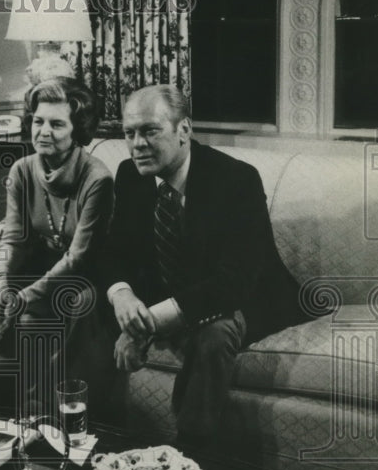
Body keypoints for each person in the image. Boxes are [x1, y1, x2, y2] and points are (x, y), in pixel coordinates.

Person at [104, 84, 306, 445]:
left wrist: (143, 325)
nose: (137, 144)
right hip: (182, 294)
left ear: (184, 129)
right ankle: (99, 439)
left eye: (150, 130)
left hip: (252, 298)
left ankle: (193, 456)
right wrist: (122, 296)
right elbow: (116, 253)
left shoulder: (235, 180)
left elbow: (233, 282)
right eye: (129, 133)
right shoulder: (130, 175)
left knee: (213, 335)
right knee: (88, 304)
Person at [0, 77, 115, 412]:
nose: (43, 131)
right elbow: (13, 237)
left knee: (73, 302)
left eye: (57, 124)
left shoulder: (98, 179)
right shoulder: (22, 170)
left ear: (77, 129)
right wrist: (0, 281)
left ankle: (59, 409)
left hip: (83, 281)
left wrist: (22, 298)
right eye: (38, 121)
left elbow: (79, 258)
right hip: (37, 272)